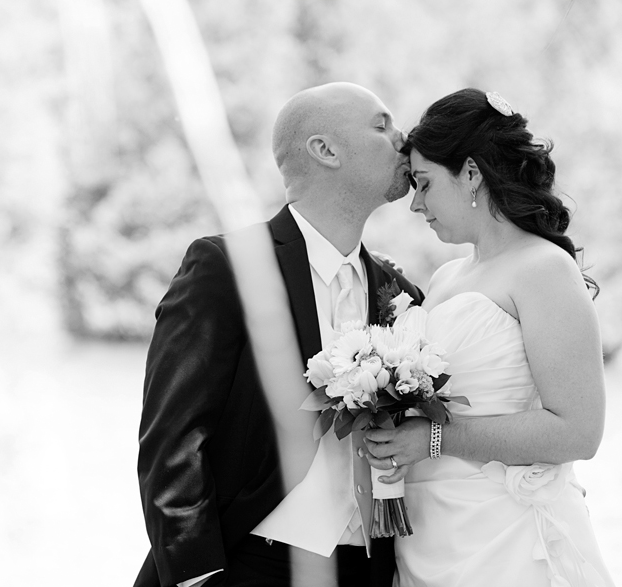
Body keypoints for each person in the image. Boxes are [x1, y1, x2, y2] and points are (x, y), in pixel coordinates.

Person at [136, 82, 422, 587]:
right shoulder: (227, 267)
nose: (405, 140)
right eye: (382, 126)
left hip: (370, 571)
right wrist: (197, 576)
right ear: (325, 150)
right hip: (248, 564)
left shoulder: (402, 296)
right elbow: (173, 438)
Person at [364, 88, 615, 586]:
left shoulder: (544, 269)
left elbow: (578, 432)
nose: (415, 204)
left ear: (472, 174)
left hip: (505, 537)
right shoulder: (445, 278)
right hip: (431, 534)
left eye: (425, 183)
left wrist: (432, 440)